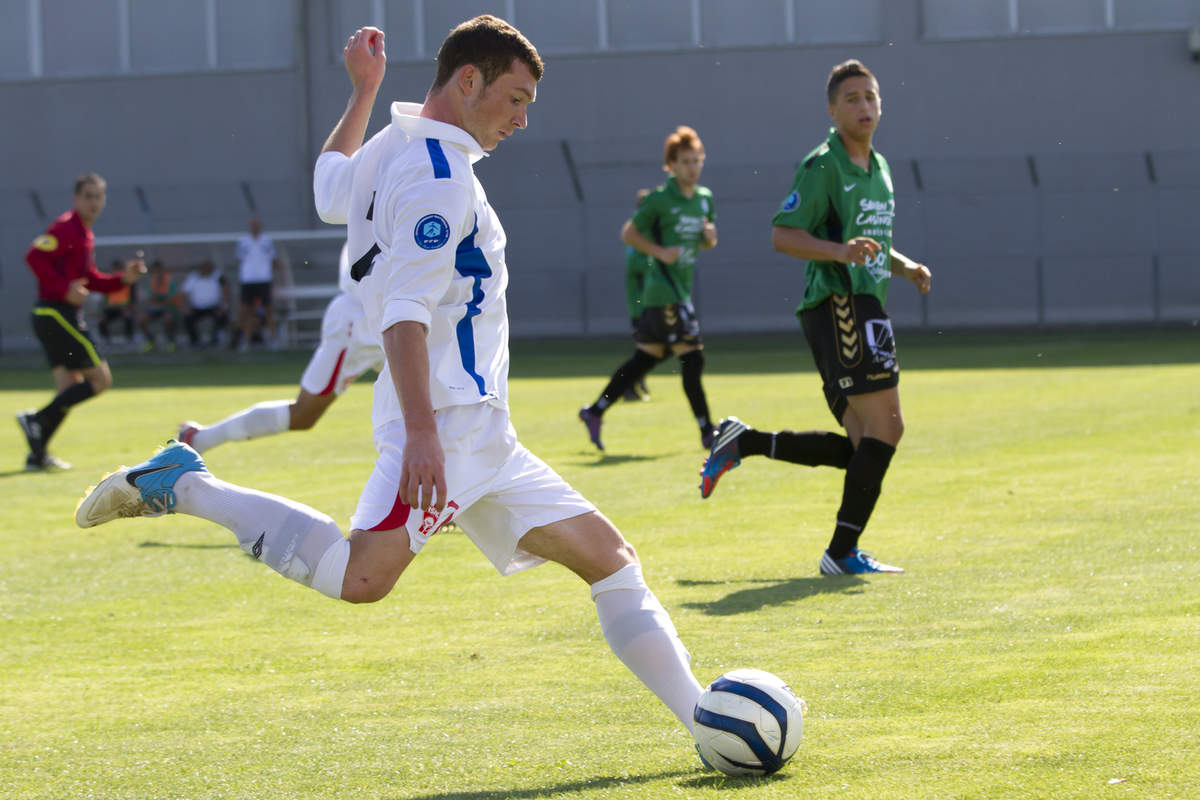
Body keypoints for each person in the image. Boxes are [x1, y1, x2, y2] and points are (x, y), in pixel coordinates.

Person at [77, 17, 705, 747]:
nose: (523, 119)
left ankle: (703, 719)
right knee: (361, 576)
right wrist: (423, 437)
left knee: (611, 560)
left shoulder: (392, 147)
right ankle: (187, 485)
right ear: (467, 81)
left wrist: (363, 92)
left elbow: (326, 189)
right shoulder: (440, 179)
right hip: (450, 420)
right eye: (515, 98)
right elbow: (405, 316)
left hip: (480, 431)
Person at [699, 60, 932, 576]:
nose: (864, 106)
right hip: (839, 304)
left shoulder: (881, 168)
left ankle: (748, 441)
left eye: (870, 96)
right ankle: (841, 554)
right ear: (832, 110)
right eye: (851, 98)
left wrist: (904, 265)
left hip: (866, 305)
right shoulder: (823, 164)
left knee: (863, 447)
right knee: (887, 428)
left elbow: (869, 246)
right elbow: (784, 235)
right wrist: (839, 252)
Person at [578, 126, 718, 451]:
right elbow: (628, 233)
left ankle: (595, 411)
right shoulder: (658, 200)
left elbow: (705, 242)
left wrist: (709, 240)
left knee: (646, 358)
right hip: (663, 292)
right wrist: (659, 252)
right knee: (692, 359)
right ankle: (706, 430)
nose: (692, 167)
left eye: (697, 160)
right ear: (671, 165)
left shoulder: (705, 199)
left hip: (679, 290)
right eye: (685, 161)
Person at [178, 244, 382, 451]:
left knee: (408, 413)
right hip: (362, 318)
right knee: (304, 414)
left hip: (399, 313)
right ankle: (200, 439)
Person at [17, 173, 146, 470]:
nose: (93, 202)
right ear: (76, 199)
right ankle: (33, 420)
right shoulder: (65, 228)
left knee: (69, 388)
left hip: (53, 315)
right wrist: (64, 290)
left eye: (98, 196)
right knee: (100, 380)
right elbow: (33, 257)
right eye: (87, 196)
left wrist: (122, 280)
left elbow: (90, 280)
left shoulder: (85, 235)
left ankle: (36, 456)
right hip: (55, 313)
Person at [621, 188, 654, 402]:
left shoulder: (647, 231)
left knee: (650, 349)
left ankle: (638, 382)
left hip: (650, 303)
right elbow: (635, 265)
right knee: (645, 349)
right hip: (640, 305)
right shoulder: (636, 233)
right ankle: (627, 386)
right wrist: (659, 258)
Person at [230, 216, 279, 351]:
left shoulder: (267, 241)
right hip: (248, 280)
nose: (255, 226)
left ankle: (273, 341)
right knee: (247, 312)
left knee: (269, 310)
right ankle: (246, 341)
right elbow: (240, 259)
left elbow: (274, 259)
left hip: (264, 280)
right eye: (253, 224)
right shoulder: (243, 241)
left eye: (257, 224)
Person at [180, 259, 230, 348]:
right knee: (187, 318)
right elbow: (185, 293)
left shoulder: (217, 276)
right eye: (204, 267)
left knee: (222, 316)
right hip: (197, 307)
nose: (206, 269)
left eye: (209, 267)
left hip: (213, 306)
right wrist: (185, 307)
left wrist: (224, 306)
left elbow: (226, 288)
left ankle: (215, 340)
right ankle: (195, 341)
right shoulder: (193, 277)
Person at [138, 259, 181, 351]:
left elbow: (171, 298)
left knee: (168, 319)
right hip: (155, 309)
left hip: (169, 308)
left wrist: (159, 299)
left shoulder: (169, 281)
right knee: (142, 320)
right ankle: (151, 341)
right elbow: (150, 299)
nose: (157, 273)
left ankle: (171, 341)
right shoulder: (152, 282)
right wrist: (159, 299)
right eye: (154, 271)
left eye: (158, 270)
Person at [97, 259, 137, 347]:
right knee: (102, 319)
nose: (116, 271)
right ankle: (106, 340)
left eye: (118, 269)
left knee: (128, 316)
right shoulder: (109, 281)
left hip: (124, 308)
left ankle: (129, 339)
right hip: (111, 309)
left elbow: (133, 298)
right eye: (114, 269)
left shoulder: (128, 282)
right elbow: (105, 299)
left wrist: (129, 308)